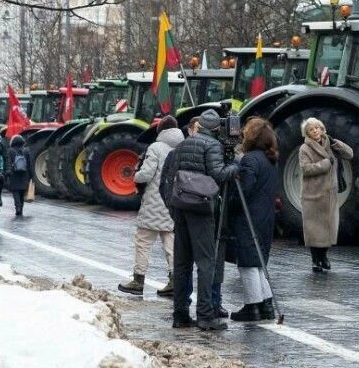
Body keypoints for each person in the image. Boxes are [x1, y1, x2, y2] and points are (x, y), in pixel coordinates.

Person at [164, 109, 233, 331]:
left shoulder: (184, 144)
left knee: (182, 262)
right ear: (216, 129)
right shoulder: (212, 145)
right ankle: (205, 315)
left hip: (181, 204)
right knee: (206, 262)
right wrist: (234, 166)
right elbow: (219, 175)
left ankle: (180, 314)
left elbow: (172, 176)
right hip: (201, 207)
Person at [120, 116, 182, 297]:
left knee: (143, 242)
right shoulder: (183, 146)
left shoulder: (156, 147)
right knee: (171, 245)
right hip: (173, 202)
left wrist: (136, 175)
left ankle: (138, 281)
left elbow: (146, 174)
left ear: (160, 131)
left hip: (154, 202)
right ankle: (174, 281)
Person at [226, 118, 279, 323]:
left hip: (250, 216)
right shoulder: (270, 159)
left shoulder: (251, 160)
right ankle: (265, 303)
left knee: (248, 262)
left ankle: (252, 305)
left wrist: (231, 202)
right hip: (265, 215)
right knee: (258, 261)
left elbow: (244, 190)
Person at [298, 116, 351, 272]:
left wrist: (337, 144)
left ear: (322, 129)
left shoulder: (330, 144)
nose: (315, 131)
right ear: (307, 133)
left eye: (317, 128)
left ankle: (324, 257)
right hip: (312, 195)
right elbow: (306, 169)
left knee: (328, 230)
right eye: (311, 129)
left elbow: (350, 154)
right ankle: (315, 259)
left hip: (329, 195)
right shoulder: (305, 148)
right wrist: (326, 164)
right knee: (314, 231)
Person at [5, 134, 32, 218]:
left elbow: (8, 162)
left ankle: (18, 208)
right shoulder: (26, 150)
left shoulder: (10, 151)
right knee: (22, 193)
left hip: (14, 175)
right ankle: (21, 209)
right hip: (24, 175)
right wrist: (31, 176)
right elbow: (30, 164)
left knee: (16, 193)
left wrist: (7, 173)